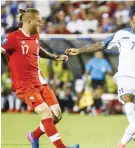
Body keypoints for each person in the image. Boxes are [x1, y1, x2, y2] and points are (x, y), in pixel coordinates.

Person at [65, 8, 135, 148]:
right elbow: (101, 45)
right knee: (127, 98)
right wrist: (79, 50)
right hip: (125, 76)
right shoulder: (121, 34)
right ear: (132, 20)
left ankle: (121, 144)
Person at [1, 8, 79, 148]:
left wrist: (54, 57)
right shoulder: (13, 37)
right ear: (29, 21)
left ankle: (33, 136)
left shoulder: (35, 34)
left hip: (40, 81)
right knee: (45, 112)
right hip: (24, 85)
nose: (41, 24)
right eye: (38, 21)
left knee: (56, 115)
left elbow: (37, 49)